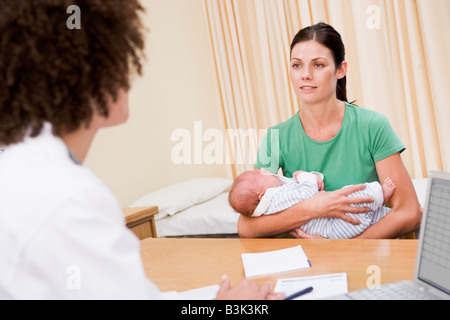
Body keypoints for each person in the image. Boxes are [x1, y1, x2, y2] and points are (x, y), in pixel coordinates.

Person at [0, 0, 282, 300]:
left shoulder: (23, 170)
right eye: (119, 55)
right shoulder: (69, 198)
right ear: (89, 73)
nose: (129, 71)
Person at [238, 22, 421, 239]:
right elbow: (247, 227)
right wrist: (315, 208)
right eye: (297, 65)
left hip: (366, 258)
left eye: (318, 65)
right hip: (310, 261)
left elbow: (409, 212)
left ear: (340, 70)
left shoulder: (372, 125)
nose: (305, 75)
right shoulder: (275, 137)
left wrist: (344, 249)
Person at [229, 169, 396, 239]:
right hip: (335, 224)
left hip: (337, 230)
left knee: (370, 214)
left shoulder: (269, 202)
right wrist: (303, 175)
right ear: (262, 194)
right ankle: (380, 194)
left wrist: (313, 178)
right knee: (350, 194)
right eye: (260, 174)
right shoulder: (276, 197)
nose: (264, 170)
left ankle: (381, 209)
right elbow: (307, 194)